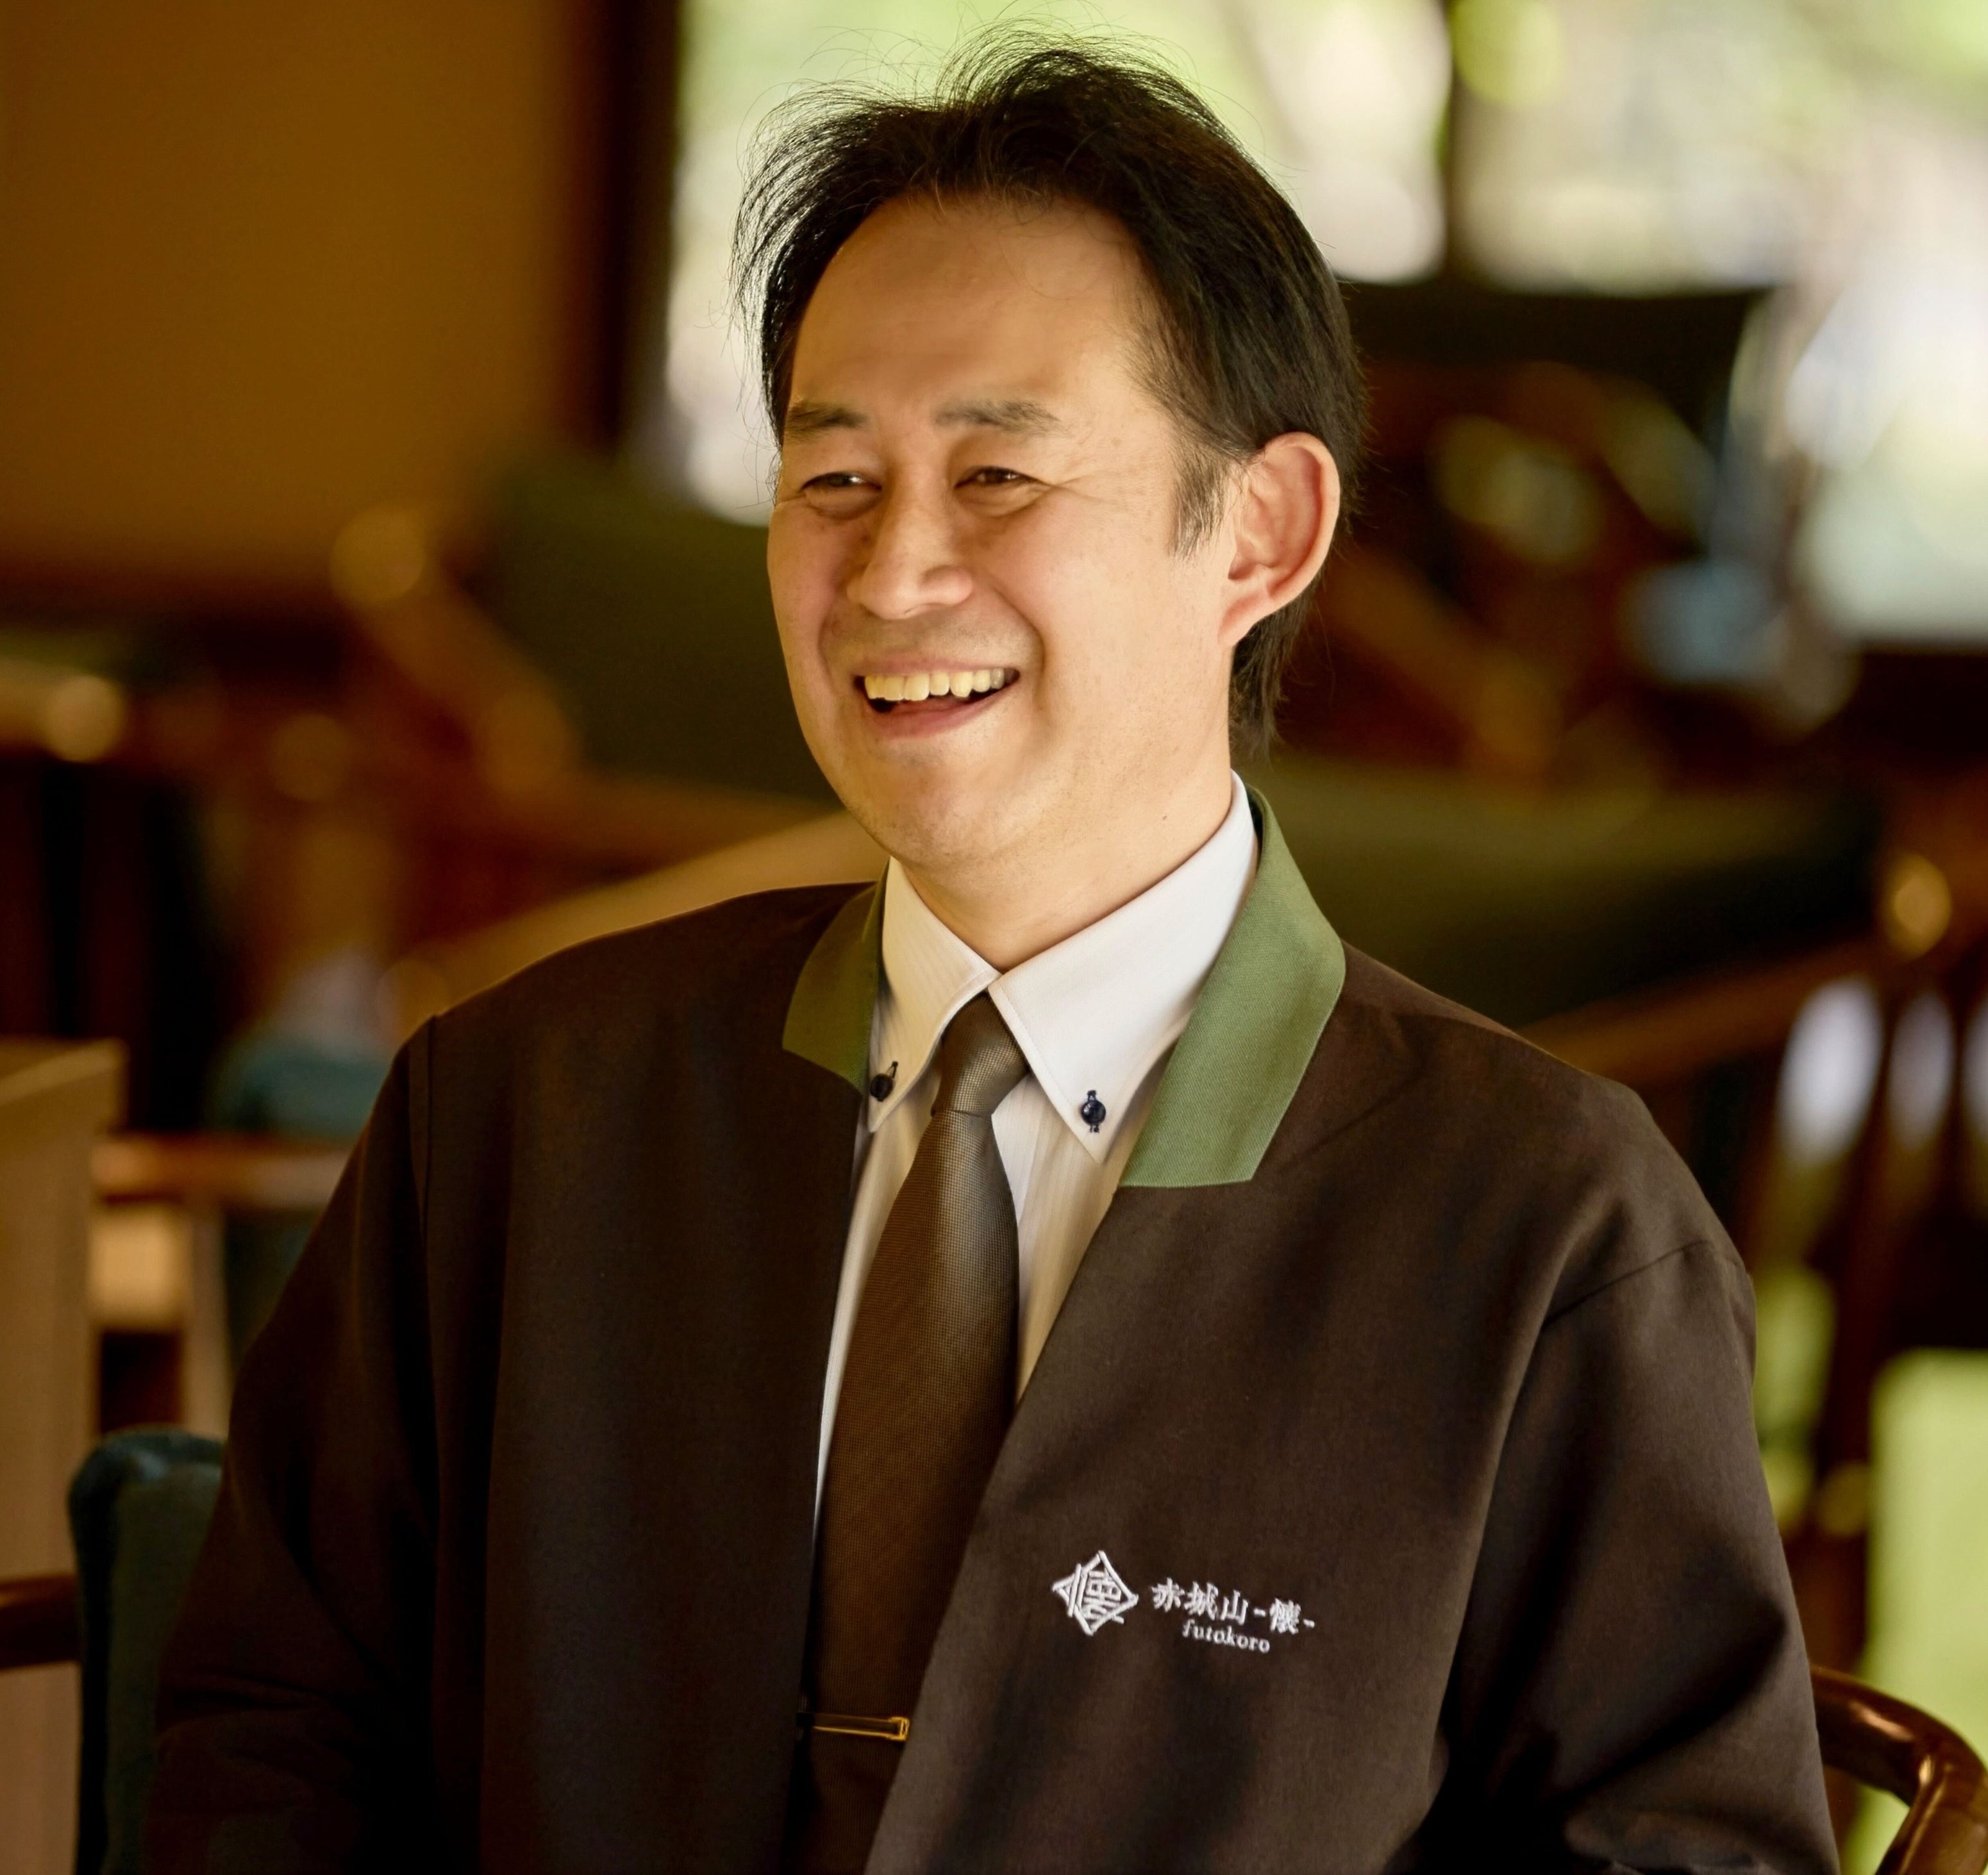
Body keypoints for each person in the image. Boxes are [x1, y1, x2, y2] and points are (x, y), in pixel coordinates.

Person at [149, 38, 1835, 1874]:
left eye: (999, 475)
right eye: (833, 479)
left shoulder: (1546, 1231)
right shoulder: (513, 1115)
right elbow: (270, 1742)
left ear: (1259, 531)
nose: (890, 577)